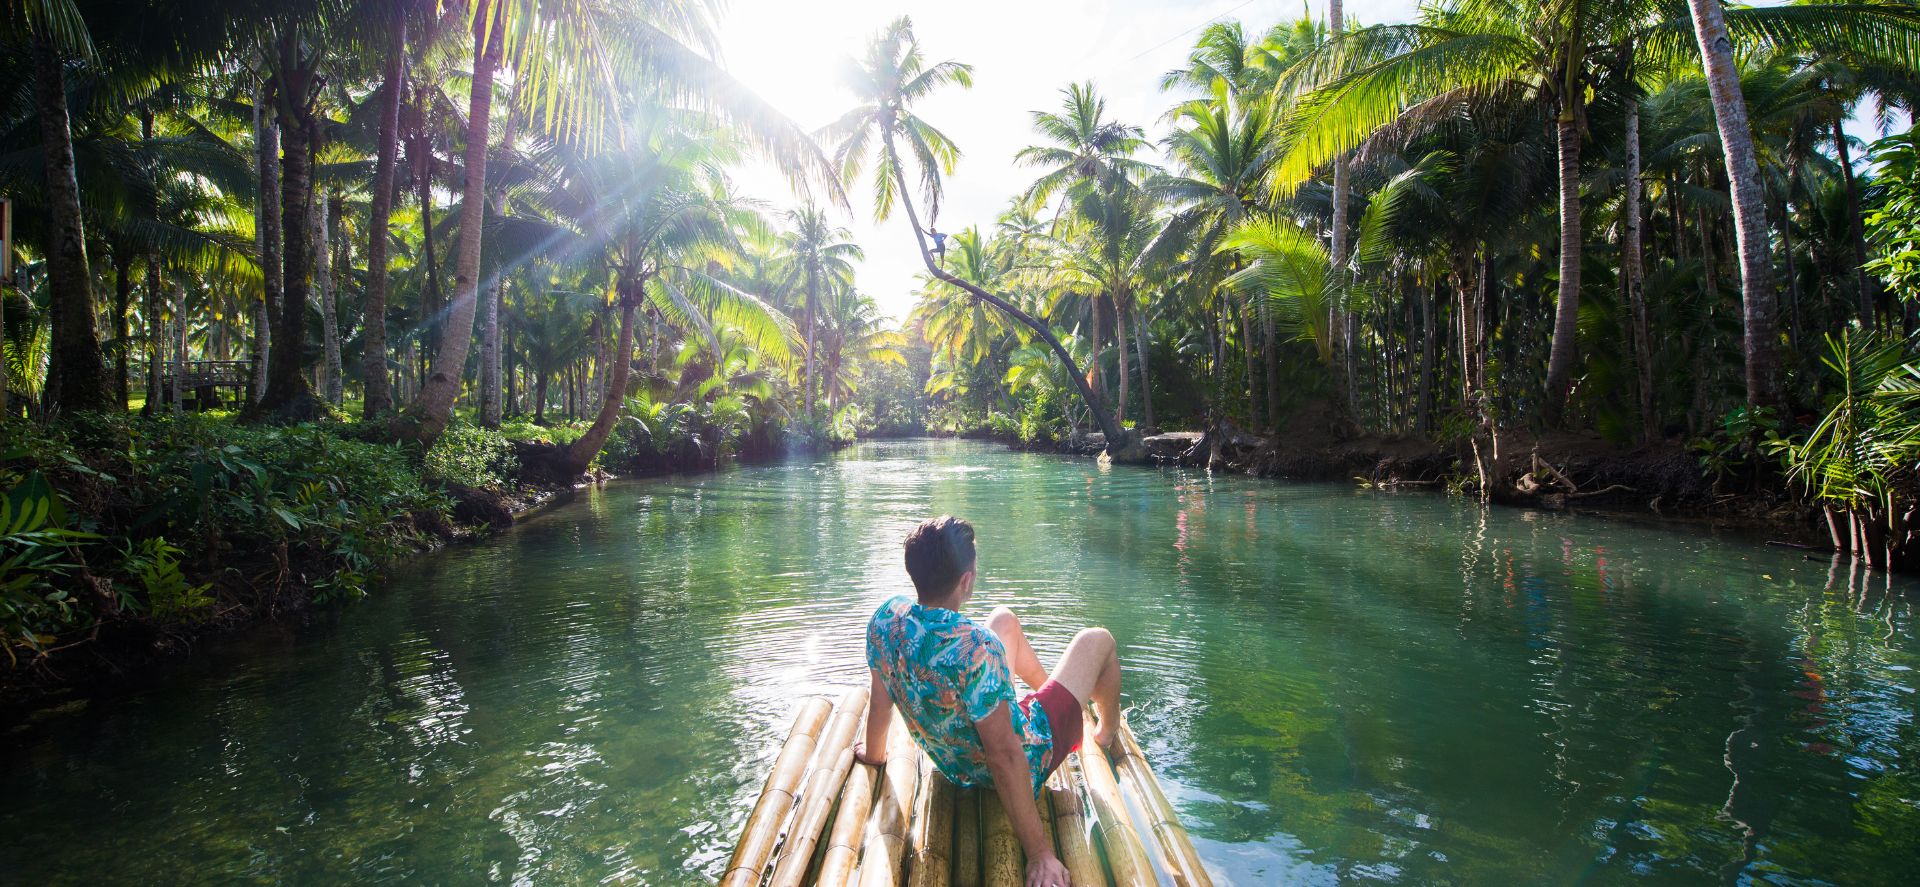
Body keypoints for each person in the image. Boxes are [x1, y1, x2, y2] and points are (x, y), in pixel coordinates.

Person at [858, 516, 1124, 887]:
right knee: (1098, 640)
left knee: (1004, 619)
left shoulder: (886, 620)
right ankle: (1106, 732)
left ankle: (1055, 693)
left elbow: (880, 699)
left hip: (954, 762)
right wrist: (1041, 855)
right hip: (1019, 759)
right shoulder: (977, 649)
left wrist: (873, 755)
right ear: (966, 581)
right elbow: (1005, 756)